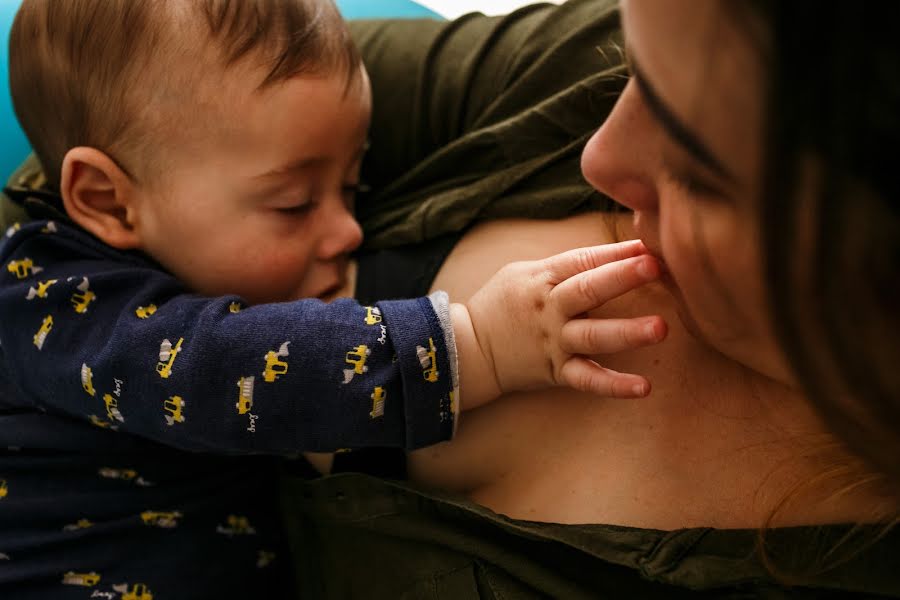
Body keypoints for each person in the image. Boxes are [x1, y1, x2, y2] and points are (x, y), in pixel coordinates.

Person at [0, 0, 669, 597]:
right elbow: (224, 367)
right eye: (294, 203)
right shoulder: (49, 300)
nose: (350, 229)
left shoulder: (206, 190)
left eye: (353, 185)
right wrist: (474, 345)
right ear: (106, 200)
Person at [281, 0, 900, 597]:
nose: (596, 156)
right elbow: (208, 90)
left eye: (698, 173)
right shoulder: (695, 34)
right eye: (631, 72)